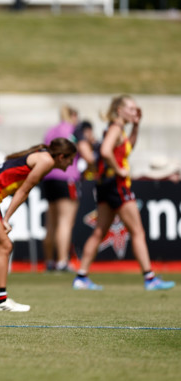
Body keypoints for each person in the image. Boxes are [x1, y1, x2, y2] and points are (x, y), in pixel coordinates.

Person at [73, 95, 176, 291]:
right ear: (119, 110)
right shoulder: (115, 128)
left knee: (99, 232)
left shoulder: (117, 129)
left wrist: (136, 126)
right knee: (137, 231)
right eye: (130, 108)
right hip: (117, 185)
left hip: (106, 185)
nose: (134, 111)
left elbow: (127, 148)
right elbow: (105, 151)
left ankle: (81, 277)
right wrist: (118, 169)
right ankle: (149, 278)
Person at [0, 138, 77, 311]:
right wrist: (6, 218)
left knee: (1, 246)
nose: (71, 164)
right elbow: (24, 191)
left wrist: (4, 217)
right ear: (62, 156)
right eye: (71, 159)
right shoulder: (46, 160)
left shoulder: (41, 156)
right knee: (4, 246)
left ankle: (1, 300)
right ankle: (1, 301)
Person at [41, 106, 95, 272]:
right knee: (65, 222)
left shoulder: (50, 132)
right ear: (73, 115)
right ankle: (62, 261)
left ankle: (49, 261)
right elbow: (88, 156)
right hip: (67, 178)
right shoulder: (74, 130)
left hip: (48, 177)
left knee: (51, 222)